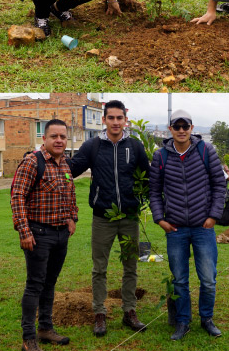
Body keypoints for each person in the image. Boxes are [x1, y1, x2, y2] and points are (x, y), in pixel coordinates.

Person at [69, 100, 150, 337]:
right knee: (99, 268)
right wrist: (46, 157)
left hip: (129, 218)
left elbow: (147, 177)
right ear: (104, 120)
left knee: (130, 266)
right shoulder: (92, 146)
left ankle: (129, 311)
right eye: (111, 118)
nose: (116, 122)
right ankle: (99, 314)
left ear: (126, 120)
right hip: (102, 218)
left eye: (120, 118)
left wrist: (140, 202)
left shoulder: (135, 146)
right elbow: (71, 170)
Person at [149, 109, 228, 341]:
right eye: (177, 126)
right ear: (170, 129)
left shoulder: (206, 150)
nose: (182, 130)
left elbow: (219, 185)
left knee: (208, 279)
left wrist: (213, 216)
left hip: (203, 227)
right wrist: (159, 219)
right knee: (180, 280)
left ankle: (207, 319)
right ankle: (182, 322)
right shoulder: (160, 156)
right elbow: (154, 191)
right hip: (175, 229)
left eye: (186, 126)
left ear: (192, 128)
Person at [11, 120, 78, 351]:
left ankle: (45, 328)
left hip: (60, 234)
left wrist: (72, 217)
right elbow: (17, 196)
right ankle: (28, 338)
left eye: (62, 136)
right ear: (44, 139)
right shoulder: (32, 162)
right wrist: (24, 231)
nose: (59, 140)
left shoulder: (65, 164)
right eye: (54, 136)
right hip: (38, 234)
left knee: (50, 284)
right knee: (35, 285)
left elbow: (70, 194)